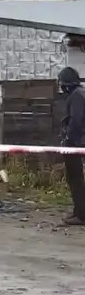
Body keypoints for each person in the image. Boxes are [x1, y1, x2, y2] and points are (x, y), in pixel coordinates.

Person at [59, 67, 85, 225]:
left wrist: (69, 141)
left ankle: (81, 214)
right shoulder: (81, 93)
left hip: (77, 143)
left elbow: (76, 121)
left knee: (75, 178)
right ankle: (80, 211)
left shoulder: (76, 96)